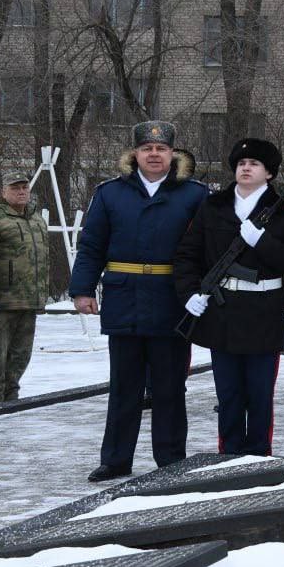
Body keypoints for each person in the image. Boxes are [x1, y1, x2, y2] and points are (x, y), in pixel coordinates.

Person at [69, 121, 207, 481]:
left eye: (161, 149)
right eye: (147, 148)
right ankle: (115, 460)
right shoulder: (110, 193)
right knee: (124, 386)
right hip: (124, 297)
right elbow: (92, 245)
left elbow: (207, 248)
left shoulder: (194, 195)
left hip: (171, 301)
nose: (154, 154)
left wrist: (199, 292)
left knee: (170, 386)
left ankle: (172, 459)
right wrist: (82, 289)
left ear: (173, 154)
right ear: (135, 154)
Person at [174, 139, 284, 455]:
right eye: (241, 163)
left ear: (269, 174)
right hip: (223, 314)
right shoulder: (213, 207)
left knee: (260, 395)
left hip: (263, 315)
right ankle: (229, 458)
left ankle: (260, 457)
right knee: (229, 395)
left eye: (255, 164)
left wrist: (262, 241)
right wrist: (189, 293)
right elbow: (187, 255)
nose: (246, 168)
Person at [0, 171, 49, 403]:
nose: (21, 192)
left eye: (24, 187)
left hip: (29, 300)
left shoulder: (36, 218)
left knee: (20, 356)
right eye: (15, 188)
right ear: (4, 191)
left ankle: (11, 402)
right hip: (2, 302)